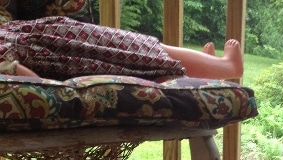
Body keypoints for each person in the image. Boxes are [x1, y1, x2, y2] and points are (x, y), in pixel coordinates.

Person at [0, 16, 243, 80]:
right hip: (67, 51)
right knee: (143, 51)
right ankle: (225, 67)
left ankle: (203, 65)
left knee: (142, 47)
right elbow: (30, 81)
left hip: (61, 40)